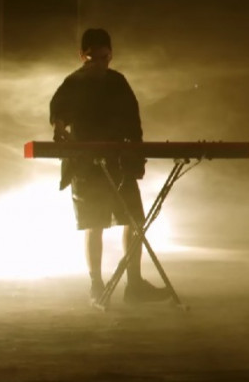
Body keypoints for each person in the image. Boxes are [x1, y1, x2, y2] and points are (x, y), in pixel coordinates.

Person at [49, 28, 169, 305]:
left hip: (118, 161)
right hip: (86, 164)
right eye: (94, 58)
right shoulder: (74, 83)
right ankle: (96, 285)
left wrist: (136, 155)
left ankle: (134, 284)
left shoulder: (118, 82)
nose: (100, 64)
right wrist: (59, 126)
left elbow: (133, 122)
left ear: (111, 55)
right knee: (94, 224)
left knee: (135, 220)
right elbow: (59, 110)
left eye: (105, 58)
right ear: (82, 55)